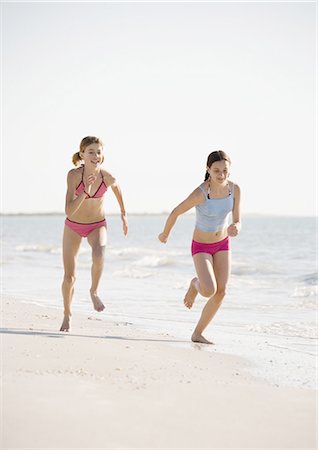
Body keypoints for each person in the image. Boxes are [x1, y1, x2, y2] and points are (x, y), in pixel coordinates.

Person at [158, 150, 241, 344]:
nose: (221, 175)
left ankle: (197, 333)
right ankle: (195, 284)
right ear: (208, 170)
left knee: (222, 292)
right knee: (208, 290)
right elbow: (176, 212)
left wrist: (236, 227)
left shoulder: (235, 189)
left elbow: (238, 219)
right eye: (216, 170)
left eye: (225, 170)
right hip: (201, 246)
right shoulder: (201, 193)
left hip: (222, 244)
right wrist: (165, 234)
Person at [60, 136, 128, 332]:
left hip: (97, 224)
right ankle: (67, 314)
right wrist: (86, 191)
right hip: (73, 225)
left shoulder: (107, 177)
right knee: (69, 278)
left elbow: (117, 188)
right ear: (82, 154)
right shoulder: (73, 176)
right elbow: (69, 211)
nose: (95, 156)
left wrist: (123, 214)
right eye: (91, 152)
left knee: (99, 255)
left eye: (98, 152)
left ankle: (94, 291)